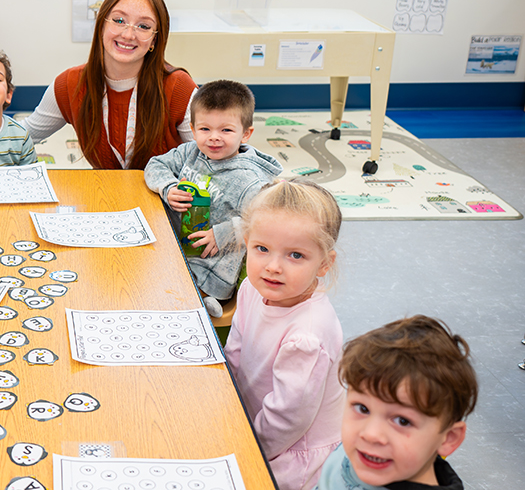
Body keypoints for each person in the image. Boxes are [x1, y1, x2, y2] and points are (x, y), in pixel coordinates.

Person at [0, 0, 197, 169]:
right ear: (101, 25)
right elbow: (24, 134)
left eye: (144, 26)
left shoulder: (179, 87)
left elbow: (209, 155)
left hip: (168, 205)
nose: (128, 33)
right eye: (119, 20)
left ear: (155, 40)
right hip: (109, 201)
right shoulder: (70, 84)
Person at [224, 178, 344, 490]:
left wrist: (246, 450)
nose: (273, 267)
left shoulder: (308, 336)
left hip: (291, 454)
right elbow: (235, 349)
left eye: (295, 255)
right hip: (252, 419)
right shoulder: (252, 287)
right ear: (247, 242)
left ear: (324, 264)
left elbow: (287, 420)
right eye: (262, 249)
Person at [144, 80, 282, 317]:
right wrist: (167, 187)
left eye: (226, 130)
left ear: (246, 134)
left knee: (164, 291)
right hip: (174, 245)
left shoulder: (249, 179)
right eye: (205, 129)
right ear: (193, 128)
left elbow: (265, 223)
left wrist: (223, 233)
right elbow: (155, 164)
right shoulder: (190, 152)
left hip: (211, 263)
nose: (214, 138)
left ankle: (204, 301)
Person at [316, 315, 477, 490]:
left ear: (448, 438)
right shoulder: (359, 453)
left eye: (402, 420)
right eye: (363, 409)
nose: (371, 434)